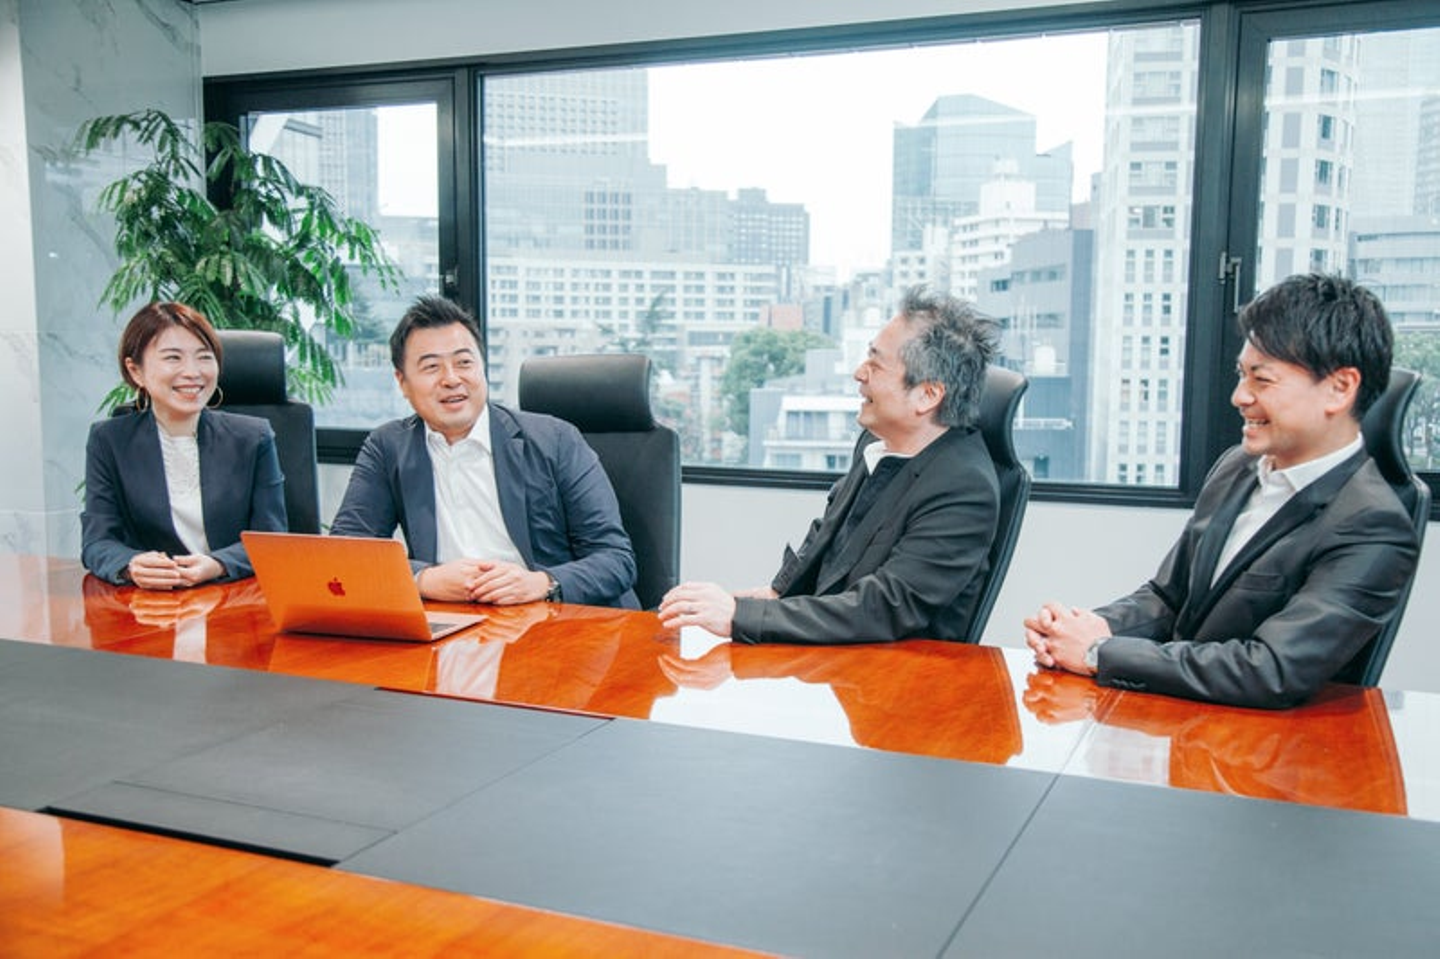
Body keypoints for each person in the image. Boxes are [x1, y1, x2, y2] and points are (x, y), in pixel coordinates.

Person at [1025, 273, 1420, 709]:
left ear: (1339, 388)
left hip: (1266, 744)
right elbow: (1169, 598)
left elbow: (1270, 670)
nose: (1239, 397)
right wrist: (1087, 629)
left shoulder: (1373, 525)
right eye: (1240, 375)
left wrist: (1099, 653)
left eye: (1261, 380)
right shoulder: (1238, 466)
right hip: (1182, 722)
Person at [659, 285, 1001, 643]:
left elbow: (880, 608)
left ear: (927, 395)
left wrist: (741, 617)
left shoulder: (964, 490)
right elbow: (829, 537)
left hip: (895, 669)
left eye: (875, 364)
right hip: (839, 654)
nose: (859, 373)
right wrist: (773, 594)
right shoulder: (877, 443)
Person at [329, 295, 638, 608]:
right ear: (402, 382)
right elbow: (345, 555)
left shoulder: (555, 439)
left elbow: (615, 559)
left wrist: (542, 583)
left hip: (555, 617)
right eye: (432, 367)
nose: (451, 379)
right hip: (453, 620)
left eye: (464, 363)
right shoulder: (388, 447)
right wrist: (423, 579)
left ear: (482, 368)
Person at [81, 302, 288, 588]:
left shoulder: (253, 437)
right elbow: (97, 541)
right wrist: (130, 565)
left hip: (235, 597)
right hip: (151, 603)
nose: (192, 372)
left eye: (204, 357)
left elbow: (272, 540)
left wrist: (219, 564)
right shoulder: (109, 440)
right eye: (173, 358)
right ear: (136, 371)